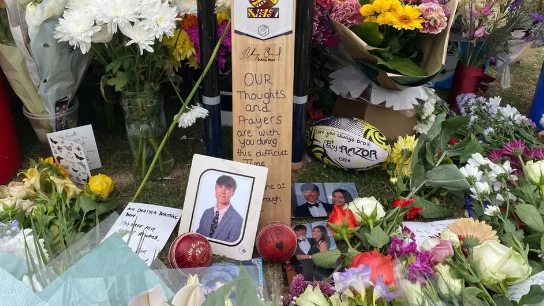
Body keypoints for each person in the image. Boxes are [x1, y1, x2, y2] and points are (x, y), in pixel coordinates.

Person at [196, 175, 243, 243]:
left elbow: (231, 247)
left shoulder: (237, 220)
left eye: (228, 188)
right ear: (215, 188)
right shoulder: (206, 213)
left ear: (233, 193)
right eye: (220, 186)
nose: (223, 192)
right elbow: (198, 236)